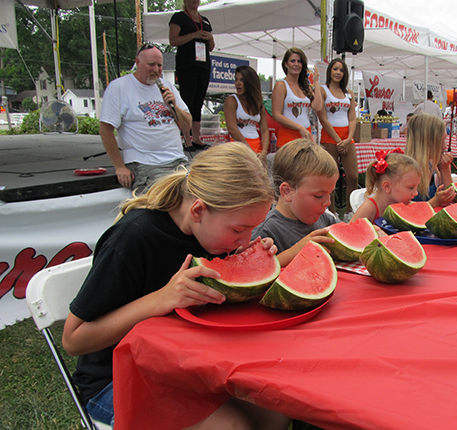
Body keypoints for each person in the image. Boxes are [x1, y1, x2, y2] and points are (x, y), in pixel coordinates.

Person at [62, 143, 291, 430]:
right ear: (198, 211)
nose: (245, 240)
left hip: (183, 365)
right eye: (238, 229)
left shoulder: (211, 233)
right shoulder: (133, 239)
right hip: (117, 379)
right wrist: (161, 299)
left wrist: (252, 262)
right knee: (230, 428)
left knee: (276, 413)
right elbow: (73, 340)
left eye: (252, 229)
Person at [99, 43, 191, 194]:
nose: (156, 70)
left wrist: (173, 106)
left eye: (160, 65)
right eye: (151, 65)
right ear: (137, 63)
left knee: (201, 192)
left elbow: (187, 125)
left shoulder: (168, 87)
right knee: (166, 196)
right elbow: (105, 130)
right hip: (145, 162)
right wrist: (119, 166)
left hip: (177, 159)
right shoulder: (119, 87)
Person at [252, 139, 339, 267]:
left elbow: (349, 235)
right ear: (287, 192)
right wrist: (296, 251)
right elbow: (257, 271)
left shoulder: (325, 220)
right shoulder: (266, 231)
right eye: (319, 196)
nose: (328, 202)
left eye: (330, 194)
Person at [169, 0, 215, 151]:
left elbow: (211, 47)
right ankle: (186, 138)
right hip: (187, 65)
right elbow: (173, 40)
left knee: (198, 102)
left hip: (203, 65)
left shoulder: (205, 20)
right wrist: (193, 35)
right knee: (187, 101)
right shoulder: (179, 18)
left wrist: (210, 38)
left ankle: (197, 137)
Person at [315, 58, 358, 222]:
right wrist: (338, 140)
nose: (338, 72)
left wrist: (347, 140)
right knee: (330, 177)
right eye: (335, 69)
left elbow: (353, 118)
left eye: (341, 70)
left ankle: (349, 211)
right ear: (329, 71)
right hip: (329, 138)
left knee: (353, 177)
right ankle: (332, 213)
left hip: (347, 138)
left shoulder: (349, 93)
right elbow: (323, 119)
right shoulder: (323, 90)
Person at [350, 150, 422, 223]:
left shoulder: (403, 204)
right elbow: (351, 231)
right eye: (411, 187)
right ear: (387, 186)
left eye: (417, 186)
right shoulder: (369, 208)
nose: (416, 193)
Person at [271, 48, 323, 147]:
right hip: (288, 137)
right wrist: (299, 127)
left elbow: (318, 106)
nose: (296, 64)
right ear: (286, 64)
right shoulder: (281, 85)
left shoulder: (305, 87)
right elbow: (276, 115)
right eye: (292, 61)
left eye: (299, 61)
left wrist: (316, 81)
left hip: (306, 136)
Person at [405, 113, 456, 207]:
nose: (445, 146)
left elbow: (450, 197)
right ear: (427, 143)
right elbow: (404, 210)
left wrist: (444, 169)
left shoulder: (433, 167)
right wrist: (435, 202)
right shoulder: (405, 171)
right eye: (441, 141)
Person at [223, 65, 270, 163]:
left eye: (242, 80)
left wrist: (264, 152)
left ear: (250, 82)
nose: (238, 83)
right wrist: (249, 150)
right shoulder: (231, 100)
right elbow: (232, 129)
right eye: (236, 80)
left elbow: (265, 130)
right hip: (238, 147)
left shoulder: (258, 103)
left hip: (257, 147)